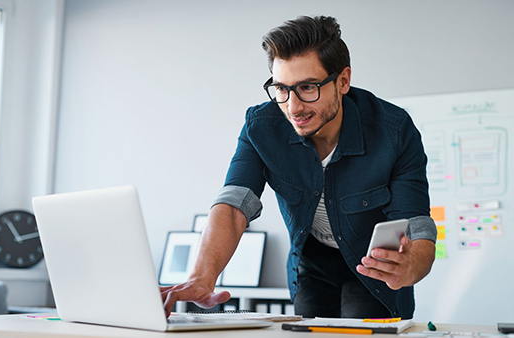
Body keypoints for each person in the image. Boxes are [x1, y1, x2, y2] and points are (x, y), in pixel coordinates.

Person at [160, 15, 436, 319]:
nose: (293, 107)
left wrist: (413, 267)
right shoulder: (262, 127)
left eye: (307, 87)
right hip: (312, 264)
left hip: (372, 266)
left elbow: (417, 224)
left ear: (343, 81)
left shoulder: (394, 131)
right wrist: (202, 275)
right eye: (281, 88)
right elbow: (234, 204)